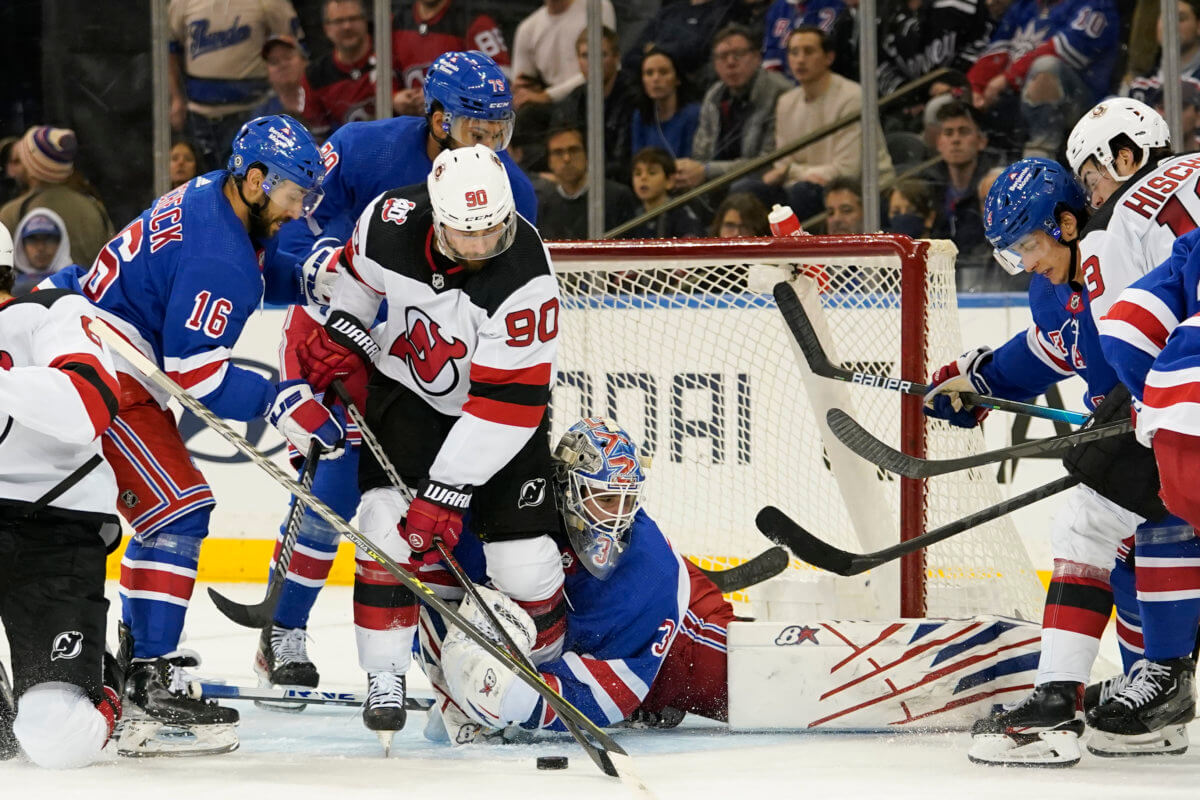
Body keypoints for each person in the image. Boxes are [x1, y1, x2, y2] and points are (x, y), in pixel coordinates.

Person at [46, 114, 341, 757]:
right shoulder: (221, 253)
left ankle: (138, 669)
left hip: (91, 338)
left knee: (165, 512)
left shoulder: (217, 193)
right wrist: (283, 401)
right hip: (103, 363)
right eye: (294, 197)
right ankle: (150, 687)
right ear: (257, 181)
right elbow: (196, 374)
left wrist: (311, 276)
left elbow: (246, 266)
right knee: (180, 508)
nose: (298, 212)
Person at [255, 52, 539, 708]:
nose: (493, 145)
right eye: (479, 129)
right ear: (438, 118)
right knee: (332, 484)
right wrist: (324, 263)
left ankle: (430, 641)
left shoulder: (511, 189)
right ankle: (284, 631)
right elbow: (292, 224)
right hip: (341, 335)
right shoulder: (361, 148)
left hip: (426, 356)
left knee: (438, 505)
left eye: (502, 131)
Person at [938, 111, 1197, 764]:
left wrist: (1137, 409)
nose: (1026, 264)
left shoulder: (1118, 238)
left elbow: (1135, 334)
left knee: (1093, 522)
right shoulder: (1059, 287)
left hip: (1171, 403)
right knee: (1134, 538)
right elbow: (1052, 348)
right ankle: (1156, 701)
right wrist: (983, 381)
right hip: (1162, 411)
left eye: (1028, 245)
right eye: (1011, 254)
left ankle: (1058, 707)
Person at [293, 145, 567, 749]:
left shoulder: (525, 276)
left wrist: (446, 490)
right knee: (385, 524)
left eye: (492, 231)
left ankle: (545, 668)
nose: (479, 247)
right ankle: (385, 675)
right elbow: (357, 285)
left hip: (499, 419)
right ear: (436, 216)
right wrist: (345, 330)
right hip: (410, 397)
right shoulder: (388, 220)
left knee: (524, 561)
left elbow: (506, 407)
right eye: (465, 236)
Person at [417, 416, 736, 742]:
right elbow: (437, 592)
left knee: (750, 681)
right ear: (567, 486)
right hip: (609, 644)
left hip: (684, 634)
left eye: (628, 499)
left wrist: (526, 701)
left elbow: (617, 691)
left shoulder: (649, 570)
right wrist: (453, 677)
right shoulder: (521, 518)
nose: (619, 516)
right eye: (607, 498)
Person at [0, 221, 123, 769]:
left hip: (49, 526)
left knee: (55, 738)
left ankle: (110, 690)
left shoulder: (53, 311)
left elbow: (87, 405)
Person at [747, 25, 893, 221]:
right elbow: (783, 163)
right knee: (746, 189)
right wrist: (793, 171)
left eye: (809, 51)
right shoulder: (785, 102)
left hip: (861, 191)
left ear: (829, 57)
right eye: (794, 52)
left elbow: (846, 171)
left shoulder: (852, 97)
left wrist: (793, 171)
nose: (800, 60)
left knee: (802, 192)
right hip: (805, 186)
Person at [966, 0, 1119, 158]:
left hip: (1081, 104)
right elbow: (997, 51)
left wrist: (1006, 79)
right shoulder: (1025, 6)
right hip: (1018, 94)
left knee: (1045, 69)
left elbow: (1061, 50)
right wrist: (974, 87)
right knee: (952, 101)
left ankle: (1041, 151)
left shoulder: (1097, 6)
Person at [167, 0, 304, 171]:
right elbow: (169, 51)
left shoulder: (268, 3)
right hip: (197, 117)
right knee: (199, 183)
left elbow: (294, 48)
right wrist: (176, 98)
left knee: (246, 180)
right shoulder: (183, 3)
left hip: (251, 112)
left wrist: (290, 95)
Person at [673, 25, 791, 197]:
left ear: (757, 58)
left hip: (763, 184)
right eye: (722, 56)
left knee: (741, 189)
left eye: (738, 54)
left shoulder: (778, 93)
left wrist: (707, 171)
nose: (730, 62)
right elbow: (701, 153)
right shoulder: (714, 95)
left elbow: (769, 162)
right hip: (720, 182)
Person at [0, 126, 114, 269]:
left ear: (31, 165)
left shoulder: (11, 213)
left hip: (36, 291)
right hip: (88, 290)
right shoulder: (94, 207)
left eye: (19, 160)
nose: (9, 171)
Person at [392, 0, 513, 115]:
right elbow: (379, 75)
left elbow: (502, 81)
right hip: (408, 127)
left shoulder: (476, 22)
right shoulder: (395, 21)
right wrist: (393, 98)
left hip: (461, 128)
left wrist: (446, 96)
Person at [303, 0, 401, 137]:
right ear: (326, 28)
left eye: (353, 18)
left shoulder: (393, 51)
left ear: (365, 20)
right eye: (338, 21)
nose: (347, 26)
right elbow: (320, 137)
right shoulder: (315, 76)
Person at [553, 27, 636, 183]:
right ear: (577, 60)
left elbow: (625, 160)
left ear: (617, 57)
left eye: (601, 55)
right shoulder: (574, 99)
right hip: (580, 179)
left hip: (620, 182)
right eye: (585, 56)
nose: (593, 63)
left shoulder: (633, 97)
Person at [921, 99, 996, 258]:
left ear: (981, 141)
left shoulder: (994, 186)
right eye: (948, 133)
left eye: (964, 132)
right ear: (939, 143)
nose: (955, 140)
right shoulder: (929, 186)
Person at [510, 0, 617, 108]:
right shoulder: (527, 29)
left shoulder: (596, 6)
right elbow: (522, 86)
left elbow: (600, 70)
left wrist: (547, 96)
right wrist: (526, 92)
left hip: (593, 99)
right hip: (551, 106)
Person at [537, 125, 636, 239]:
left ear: (587, 155)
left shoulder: (617, 197)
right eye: (558, 152)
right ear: (549, 161)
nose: (566, 158)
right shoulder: (542, 205)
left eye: (573, 150)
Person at [621, 0, 745, 91]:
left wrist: (655, 49)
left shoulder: (725, 12)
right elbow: (631, 57)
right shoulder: (669, 11)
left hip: (691, 91)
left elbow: (696, 51)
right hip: (648, 93)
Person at [629, 48, 702, 160]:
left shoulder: (694, 114)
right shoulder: (640, 115)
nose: (656, 79)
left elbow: (692, 161)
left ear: (678, 79)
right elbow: (638, 160)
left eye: (663, 72)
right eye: (649, 73)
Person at [621, 147, 707, 239]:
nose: (643, 178)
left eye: (652, 173)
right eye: (638, 174)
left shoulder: (681, 216)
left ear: (670, 181)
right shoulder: (632, 216)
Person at [11, 210, 74, 296]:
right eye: (32, 240)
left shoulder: (77, 280)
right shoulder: (8, 285)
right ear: (21, 245)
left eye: (49, 239)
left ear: (62, 243)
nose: (41, 247)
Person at [252, 34, 309, 120]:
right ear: (267, 73)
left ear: (304, 61)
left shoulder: (325, 97)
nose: (282, 65)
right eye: (274, 62)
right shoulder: (262, 117)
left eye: (288, 57)